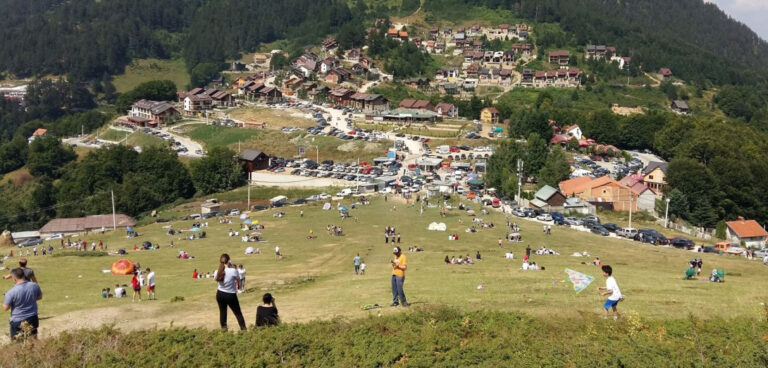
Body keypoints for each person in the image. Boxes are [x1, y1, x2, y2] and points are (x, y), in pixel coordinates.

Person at [2, 268, 43, 340]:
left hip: (18, 320)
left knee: (17, 343)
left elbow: (5, 308)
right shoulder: (34, 285)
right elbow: (39, 297)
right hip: (32, 317)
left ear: (14, 279)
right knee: (33, 340)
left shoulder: (11, 292)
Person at [215, 254, 246, 331]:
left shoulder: (217, 271)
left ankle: (224, 330)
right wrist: (232, 267)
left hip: (220, 293)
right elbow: (238, 279)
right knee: (238, 313)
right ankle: (244, 330)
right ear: (229, 261)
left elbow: (217, 280)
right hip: (230, 294)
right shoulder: (233, 271)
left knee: (223, 313)